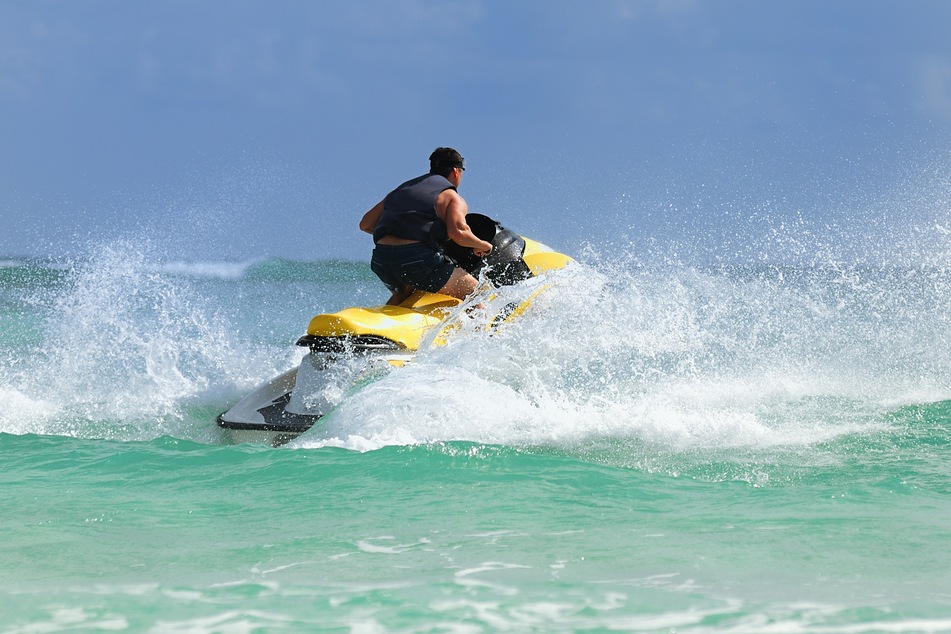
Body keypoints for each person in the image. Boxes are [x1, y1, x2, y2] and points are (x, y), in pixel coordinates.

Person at [359, 147, 494, 305]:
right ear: (456, 171)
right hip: (418, 262)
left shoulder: (401, 190)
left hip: (381, 261)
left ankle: (381, 324)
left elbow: (365, 224)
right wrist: (483, 245)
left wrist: (402, 233)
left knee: (405, 293)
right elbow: (458, 232)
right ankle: (479, 330)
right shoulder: (451, 197)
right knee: (478, 293)